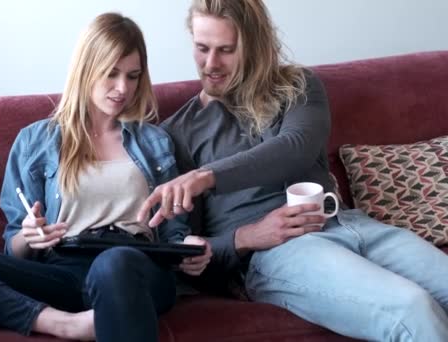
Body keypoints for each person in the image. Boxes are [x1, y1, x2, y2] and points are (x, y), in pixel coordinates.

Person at [0, 12, 211, 342]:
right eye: (111, 73)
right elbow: (14, 248)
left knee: (115, 263)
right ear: (86, 69)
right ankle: (58, 322)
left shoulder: (153, 142)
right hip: (63, 272)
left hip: (137, 268)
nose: (122, 88)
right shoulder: (35, 141)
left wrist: (190, 248)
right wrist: (29, 236)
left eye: (133, 76)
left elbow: (173, 232)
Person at [137, 1, 448, 340]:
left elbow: (296, 147)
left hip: (353, 226)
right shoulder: (176, 135)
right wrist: (246, 237)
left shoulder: (297, 85)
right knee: (410, 309)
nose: (211, 64)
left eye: (226, 50)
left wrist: (206, 176)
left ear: (254, 45)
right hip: (280, 254)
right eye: (202, 48)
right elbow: (189, 253)